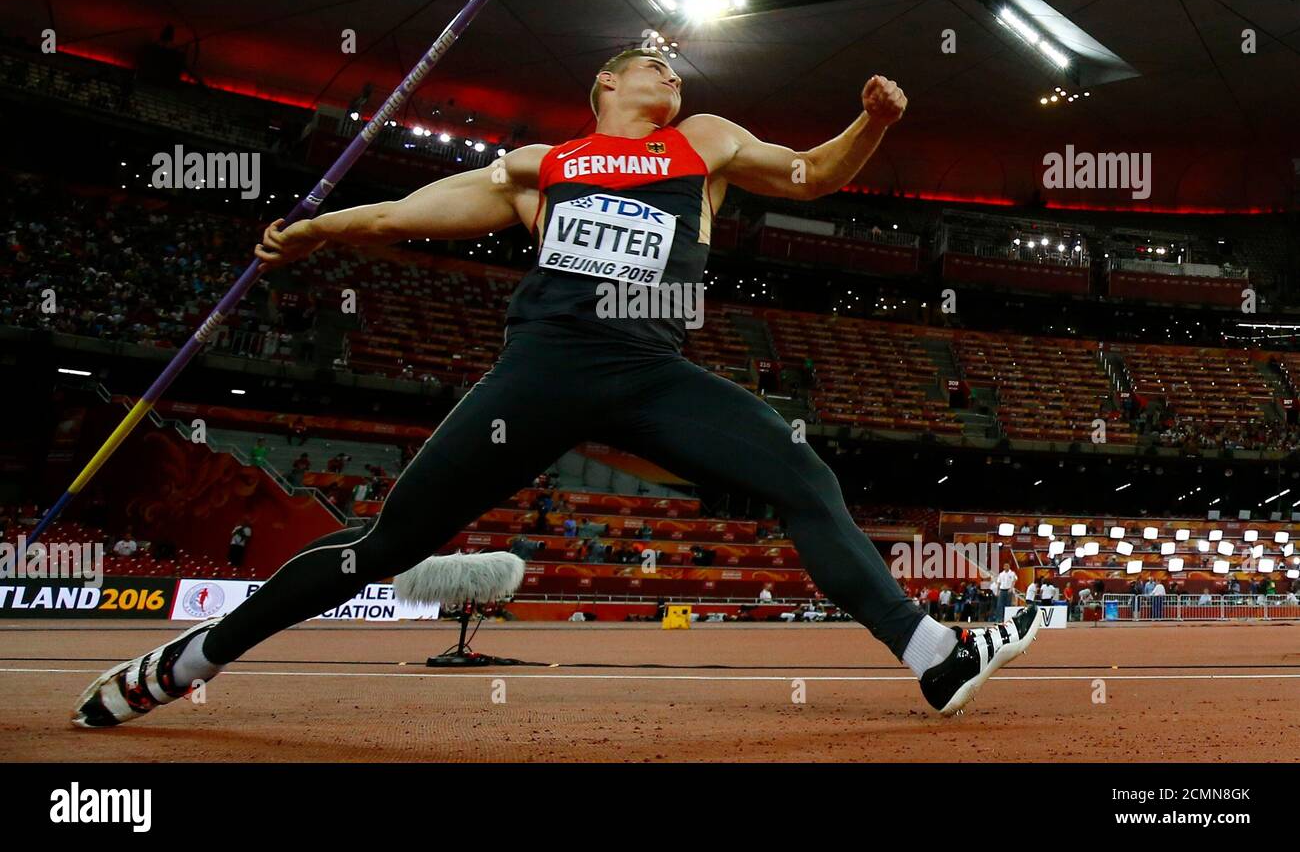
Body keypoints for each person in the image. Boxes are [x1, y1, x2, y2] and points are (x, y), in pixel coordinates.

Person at [76, 48, 1041, 730]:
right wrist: (324, 229)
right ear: (606, 85)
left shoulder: (703, 143)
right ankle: (189, 660)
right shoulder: (544, 167)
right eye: (651, 61)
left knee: (803, 478)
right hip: (541, 375)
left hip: (651, 374)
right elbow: (413, 212)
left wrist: (871, 122)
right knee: (384, 547)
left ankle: (931, 656)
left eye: (675, 62)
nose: (672, 68)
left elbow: (814, 175)